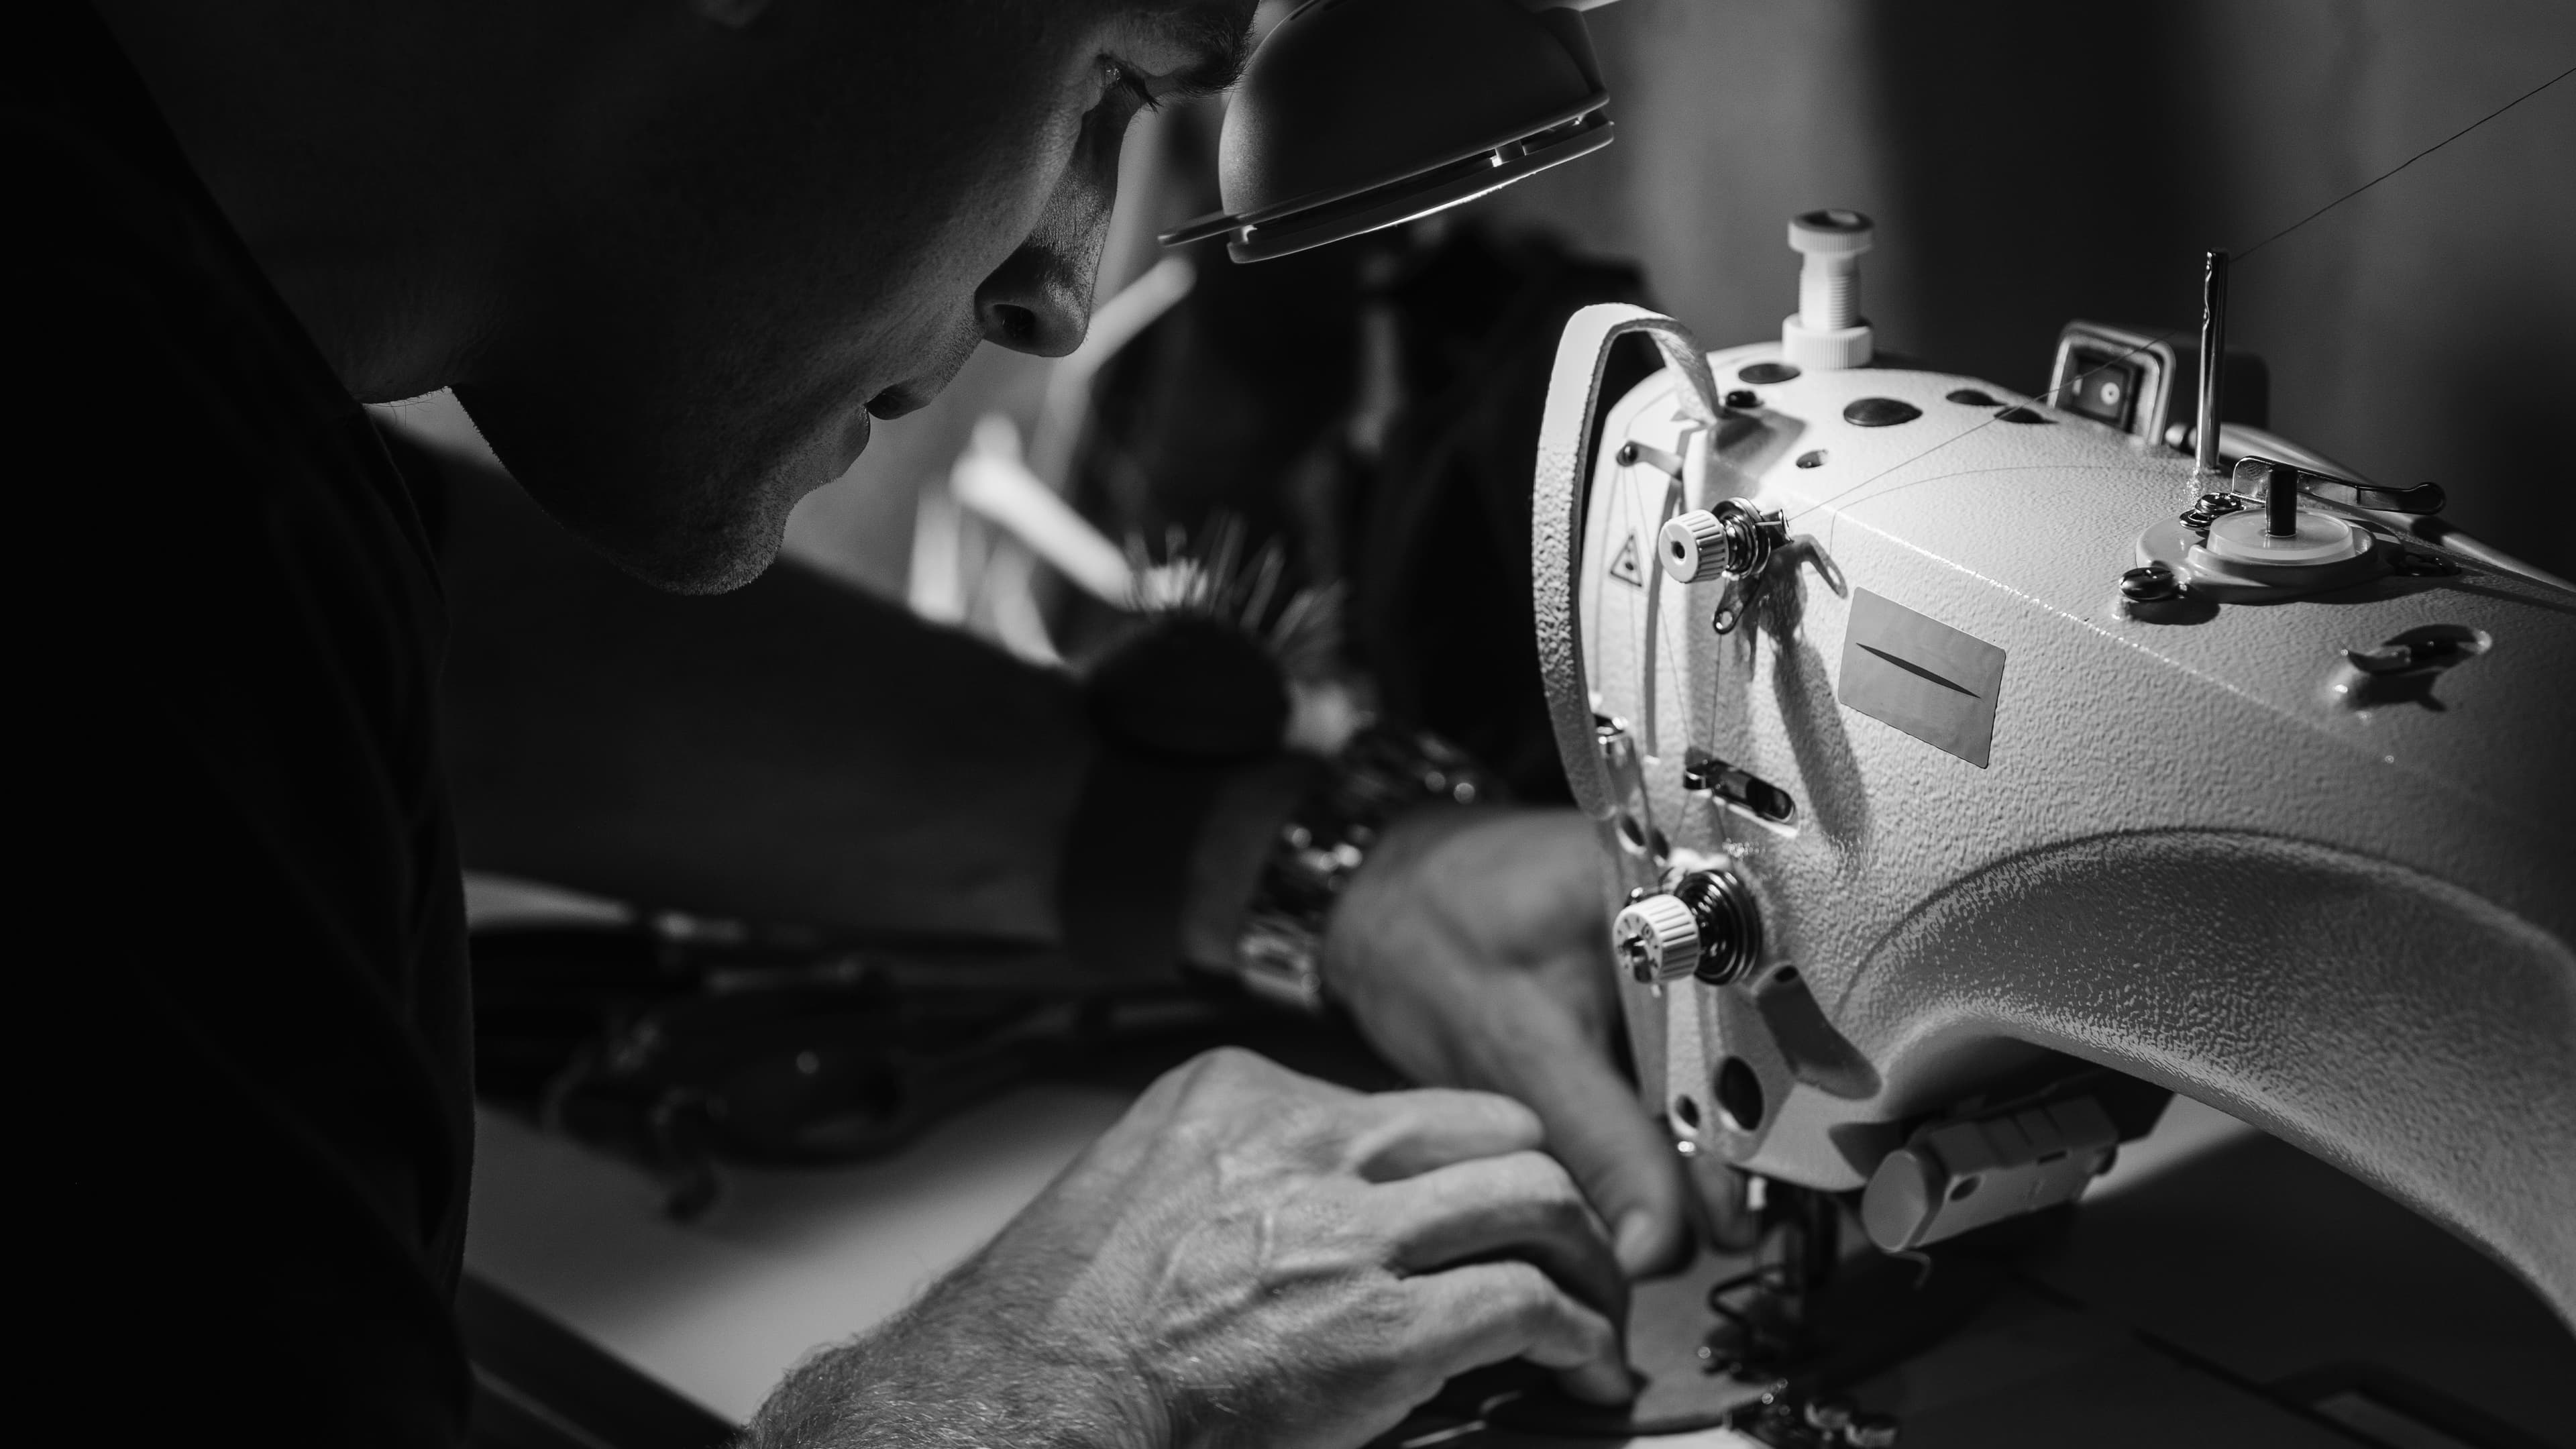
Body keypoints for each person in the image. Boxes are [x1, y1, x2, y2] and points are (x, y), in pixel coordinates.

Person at [22, 3, 1692, 1445]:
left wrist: (1316, 862)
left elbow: (476, 670)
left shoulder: (187, 391)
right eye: (1108, 87)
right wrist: (1052, 1385)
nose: (1064, 288)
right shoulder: (132, 567)